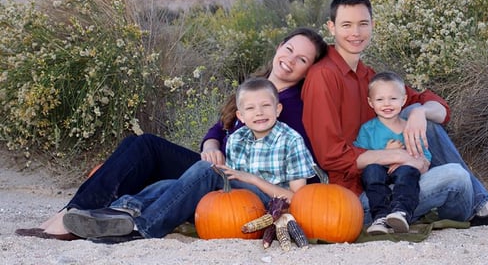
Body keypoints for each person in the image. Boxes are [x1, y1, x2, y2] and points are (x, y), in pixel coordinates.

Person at [15, 27, 328, 240]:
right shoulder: (253, 88)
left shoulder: (290, 106)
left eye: (302, 59)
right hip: (219, 166)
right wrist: (211, 143)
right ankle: (77, 214)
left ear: (308, 69)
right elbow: (218, 127)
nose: (290, 60)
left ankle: (93, 220)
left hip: (239, 183)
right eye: (289, 49)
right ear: (278, 48)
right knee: (141, 145)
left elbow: (287, 165)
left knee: (157, 155)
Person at [301, 0, 488, 229]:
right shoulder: (324, 76)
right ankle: (481, 207)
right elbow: (330, 155)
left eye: (363, 23)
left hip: (396, 182)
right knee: (456, 177)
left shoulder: (369, 77)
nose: (356, 33)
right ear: (331, 27)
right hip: (358, 199)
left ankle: (481, 206)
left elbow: (440, 108)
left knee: (421, 115)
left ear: (372, 25)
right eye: (346, 25)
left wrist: (419, 112)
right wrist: (399, 156)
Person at [61, 77, 316, 241]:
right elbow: (229, 185)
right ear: (240, 114)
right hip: (235, 199)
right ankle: (120, 211)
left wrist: (252, 179)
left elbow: (296, 198)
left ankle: (144, 227)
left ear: (278, 109)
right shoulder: (237, 139)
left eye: (265, 106)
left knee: (206, 170)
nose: (259, 113)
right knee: (174, 183)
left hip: (267, 207)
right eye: (250, 108)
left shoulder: (290, 141)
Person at [354, 71, 432, 235]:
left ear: (403, 100)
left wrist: (405, 160)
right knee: (372, 170)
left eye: (393, 99)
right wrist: (385, 154)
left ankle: (401, 212)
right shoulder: (368, 129)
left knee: (408, 173)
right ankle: (380, 217)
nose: (387, 104)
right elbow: (359, 156)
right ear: (370, 102)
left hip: (403, 173)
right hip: (378, 176)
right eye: (380, 99)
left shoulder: (410, 129)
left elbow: (425, 160)